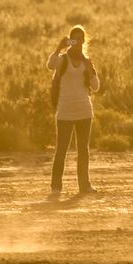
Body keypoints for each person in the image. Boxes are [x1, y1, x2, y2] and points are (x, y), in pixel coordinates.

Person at [46, 25, 100, 199]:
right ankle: (56, 188)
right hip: (65, 111)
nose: (77, 43)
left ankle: (85, 185)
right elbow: (50, 65)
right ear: (70, 41)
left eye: (80, 40)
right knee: (61, 149)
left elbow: (96, 87)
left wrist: (91, 71)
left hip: (84, 110)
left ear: (84, 41)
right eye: (73, 40)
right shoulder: (62, 60)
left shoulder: (86, 62)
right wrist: (58, 48)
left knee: (83, 150)